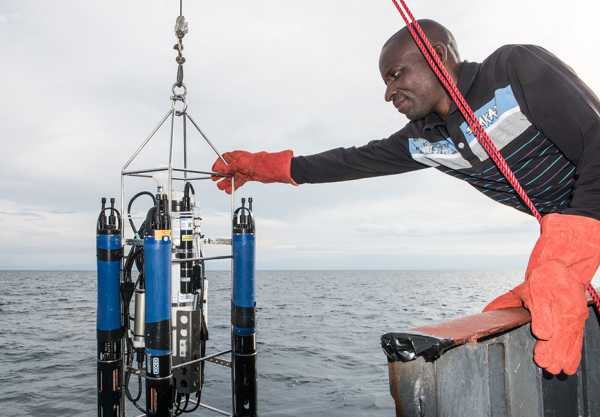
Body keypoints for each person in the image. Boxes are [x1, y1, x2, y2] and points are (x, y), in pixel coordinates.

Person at [210, 19, 600, 376]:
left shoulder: (513, 69)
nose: (388, 92)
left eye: (396, 74)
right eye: (384, 81)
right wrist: (265, 167)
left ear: (438, 56)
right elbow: (350, 161)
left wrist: (563, 265)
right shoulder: (425, 138)